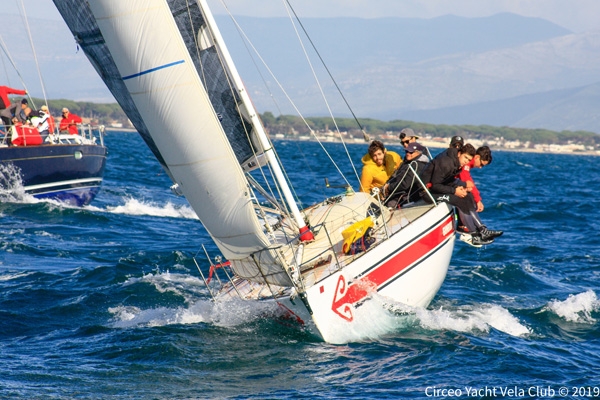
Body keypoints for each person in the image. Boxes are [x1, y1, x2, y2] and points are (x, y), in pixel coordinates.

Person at [420, 143, 502, 246]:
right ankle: (473, 234)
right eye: (465, 158)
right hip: (426, 193)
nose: (466, 162)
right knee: (459, 200)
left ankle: (482, 229)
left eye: (468, 160)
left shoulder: (458, 164)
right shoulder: (446, 163)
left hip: (436, 189)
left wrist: (461, 185)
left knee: (467, 197)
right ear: (459, 154)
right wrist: (455, 191)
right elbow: (435, 186)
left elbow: (448, 181)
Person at [383, 142, 430, 208]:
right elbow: (397, 175)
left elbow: (405, 184)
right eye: (406, 151)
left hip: (408, 197)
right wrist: (386, 185)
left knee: (389, 205)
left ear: (418, 152)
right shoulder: (407, 162)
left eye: (411, 152)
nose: (408, 153)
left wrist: (389, 187)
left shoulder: (417, 165)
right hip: (398, 193)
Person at [457, 145, 492, 213]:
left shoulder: (468, 164)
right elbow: (467, 180)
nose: (480, 167)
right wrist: (478, 200)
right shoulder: (467, 164)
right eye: (481, 164)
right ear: (477, 157)